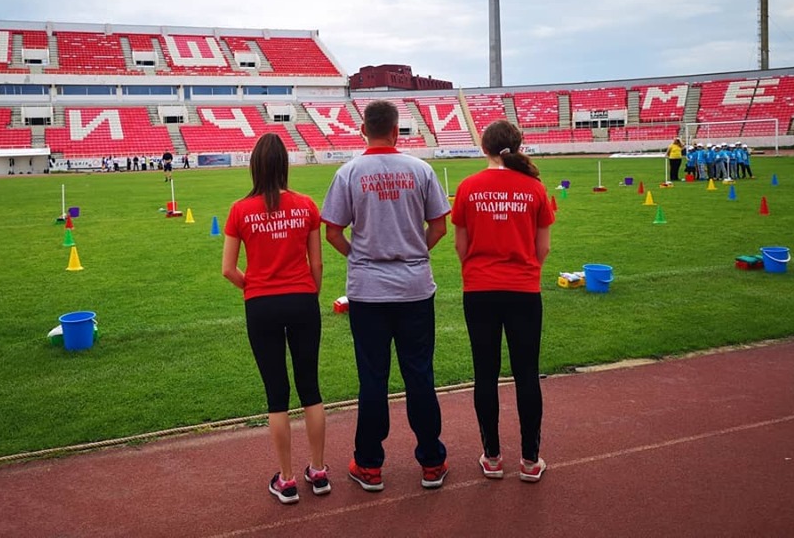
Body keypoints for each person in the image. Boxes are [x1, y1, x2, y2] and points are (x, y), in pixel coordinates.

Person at [321, 99, 451, 492]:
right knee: (419, 375)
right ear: (397, 131)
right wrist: (414, 253)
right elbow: (440, 227)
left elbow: (332, 231)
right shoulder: (421, 169)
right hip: (414, 287)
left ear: (363, 130)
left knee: (372, 378)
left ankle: (369, 464)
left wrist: (361, 257)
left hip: (369, 291)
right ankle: (431, 461)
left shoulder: (349, 173)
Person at [222, 133, 328, 505]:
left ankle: (286, 479)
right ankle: (318, 470)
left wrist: (254, 287)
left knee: (276, 395)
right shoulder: (306, 205)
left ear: (254, 166)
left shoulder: (239, 210)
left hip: (261, 305)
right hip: (302, 300)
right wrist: (307, 294)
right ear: (284, 166)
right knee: (310, 388)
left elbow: (228, 269)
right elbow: (317, 264)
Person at [451, 119, 554, 483]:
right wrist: (522, 271)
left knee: (485, 374)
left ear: (484, 148)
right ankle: (530, 460)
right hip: (523, 290)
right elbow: (543, 249)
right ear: (519, 145)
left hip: (479, 290)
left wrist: (480, 270)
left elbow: (460, 247)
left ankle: (492, 457)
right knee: (527, 374)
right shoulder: (535, 189)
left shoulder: (467, 188)